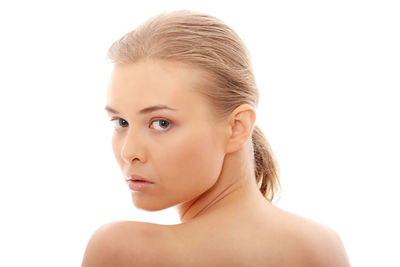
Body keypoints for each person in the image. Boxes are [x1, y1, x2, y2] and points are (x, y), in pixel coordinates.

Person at [81, 10, 351, 267]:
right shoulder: (323, 244)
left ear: (237, 127)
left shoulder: (124, 250)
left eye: (161, 123)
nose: (130, 152)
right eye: (121, 122)